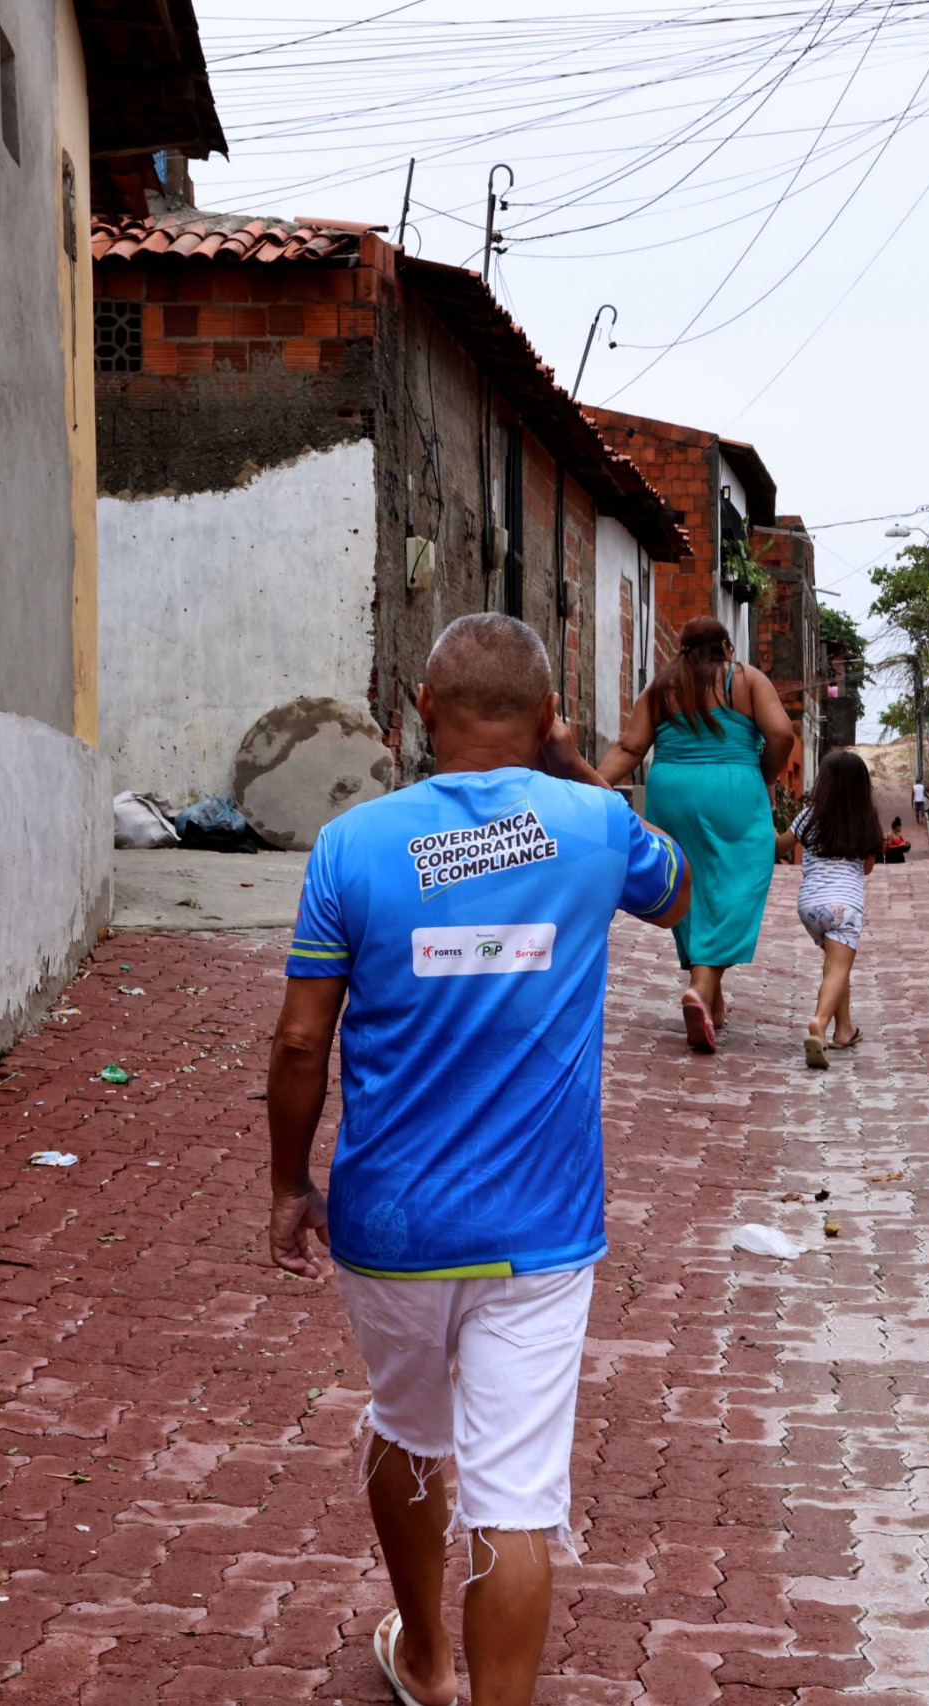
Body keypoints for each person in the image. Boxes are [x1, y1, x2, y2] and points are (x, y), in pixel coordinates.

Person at [267, 614, 692, 1706]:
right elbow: (678, 889)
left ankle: (423, 1653)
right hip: (540, 1231)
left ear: (421, 709)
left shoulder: (352, 847)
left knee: (408, 1425)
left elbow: (302, 1038)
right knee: (515, 1490)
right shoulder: (594, 824)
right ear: (551, 717)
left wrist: (287, 1183)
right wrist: (565, 777)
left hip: (391, 1222)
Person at [600, 615, 794, 1054]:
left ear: (683, 650)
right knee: (738, 883)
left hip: (671, 790)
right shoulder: (745, 679)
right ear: (726, 647)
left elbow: (630, 748)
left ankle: (713, 1000)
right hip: (733, 790)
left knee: (687, 882)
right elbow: (781, 732)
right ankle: (701, 989)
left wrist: (586, 787)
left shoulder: (663, 686)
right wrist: (763, 772)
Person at [783, 749, 879, 1069]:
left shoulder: (807, 817)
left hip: (809, 907)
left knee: (836, 967)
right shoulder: (865, 821)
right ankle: (820, 1025)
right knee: (839, 968)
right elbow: (866, 868)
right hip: (844, 907)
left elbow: (779, 846)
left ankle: (844, 1030)